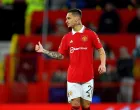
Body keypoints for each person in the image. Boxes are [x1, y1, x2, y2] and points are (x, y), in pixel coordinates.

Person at [35, 8, 106, 110]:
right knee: (75, 105)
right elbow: (60, 55)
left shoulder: (91, 34)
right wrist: (44, 51)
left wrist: (103, 64)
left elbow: (101, 50)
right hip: (73, 77)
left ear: (77, 19)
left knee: (86, 106)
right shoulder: (67, 37)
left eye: (68, 18)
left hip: (88, 77)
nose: (66, 21)